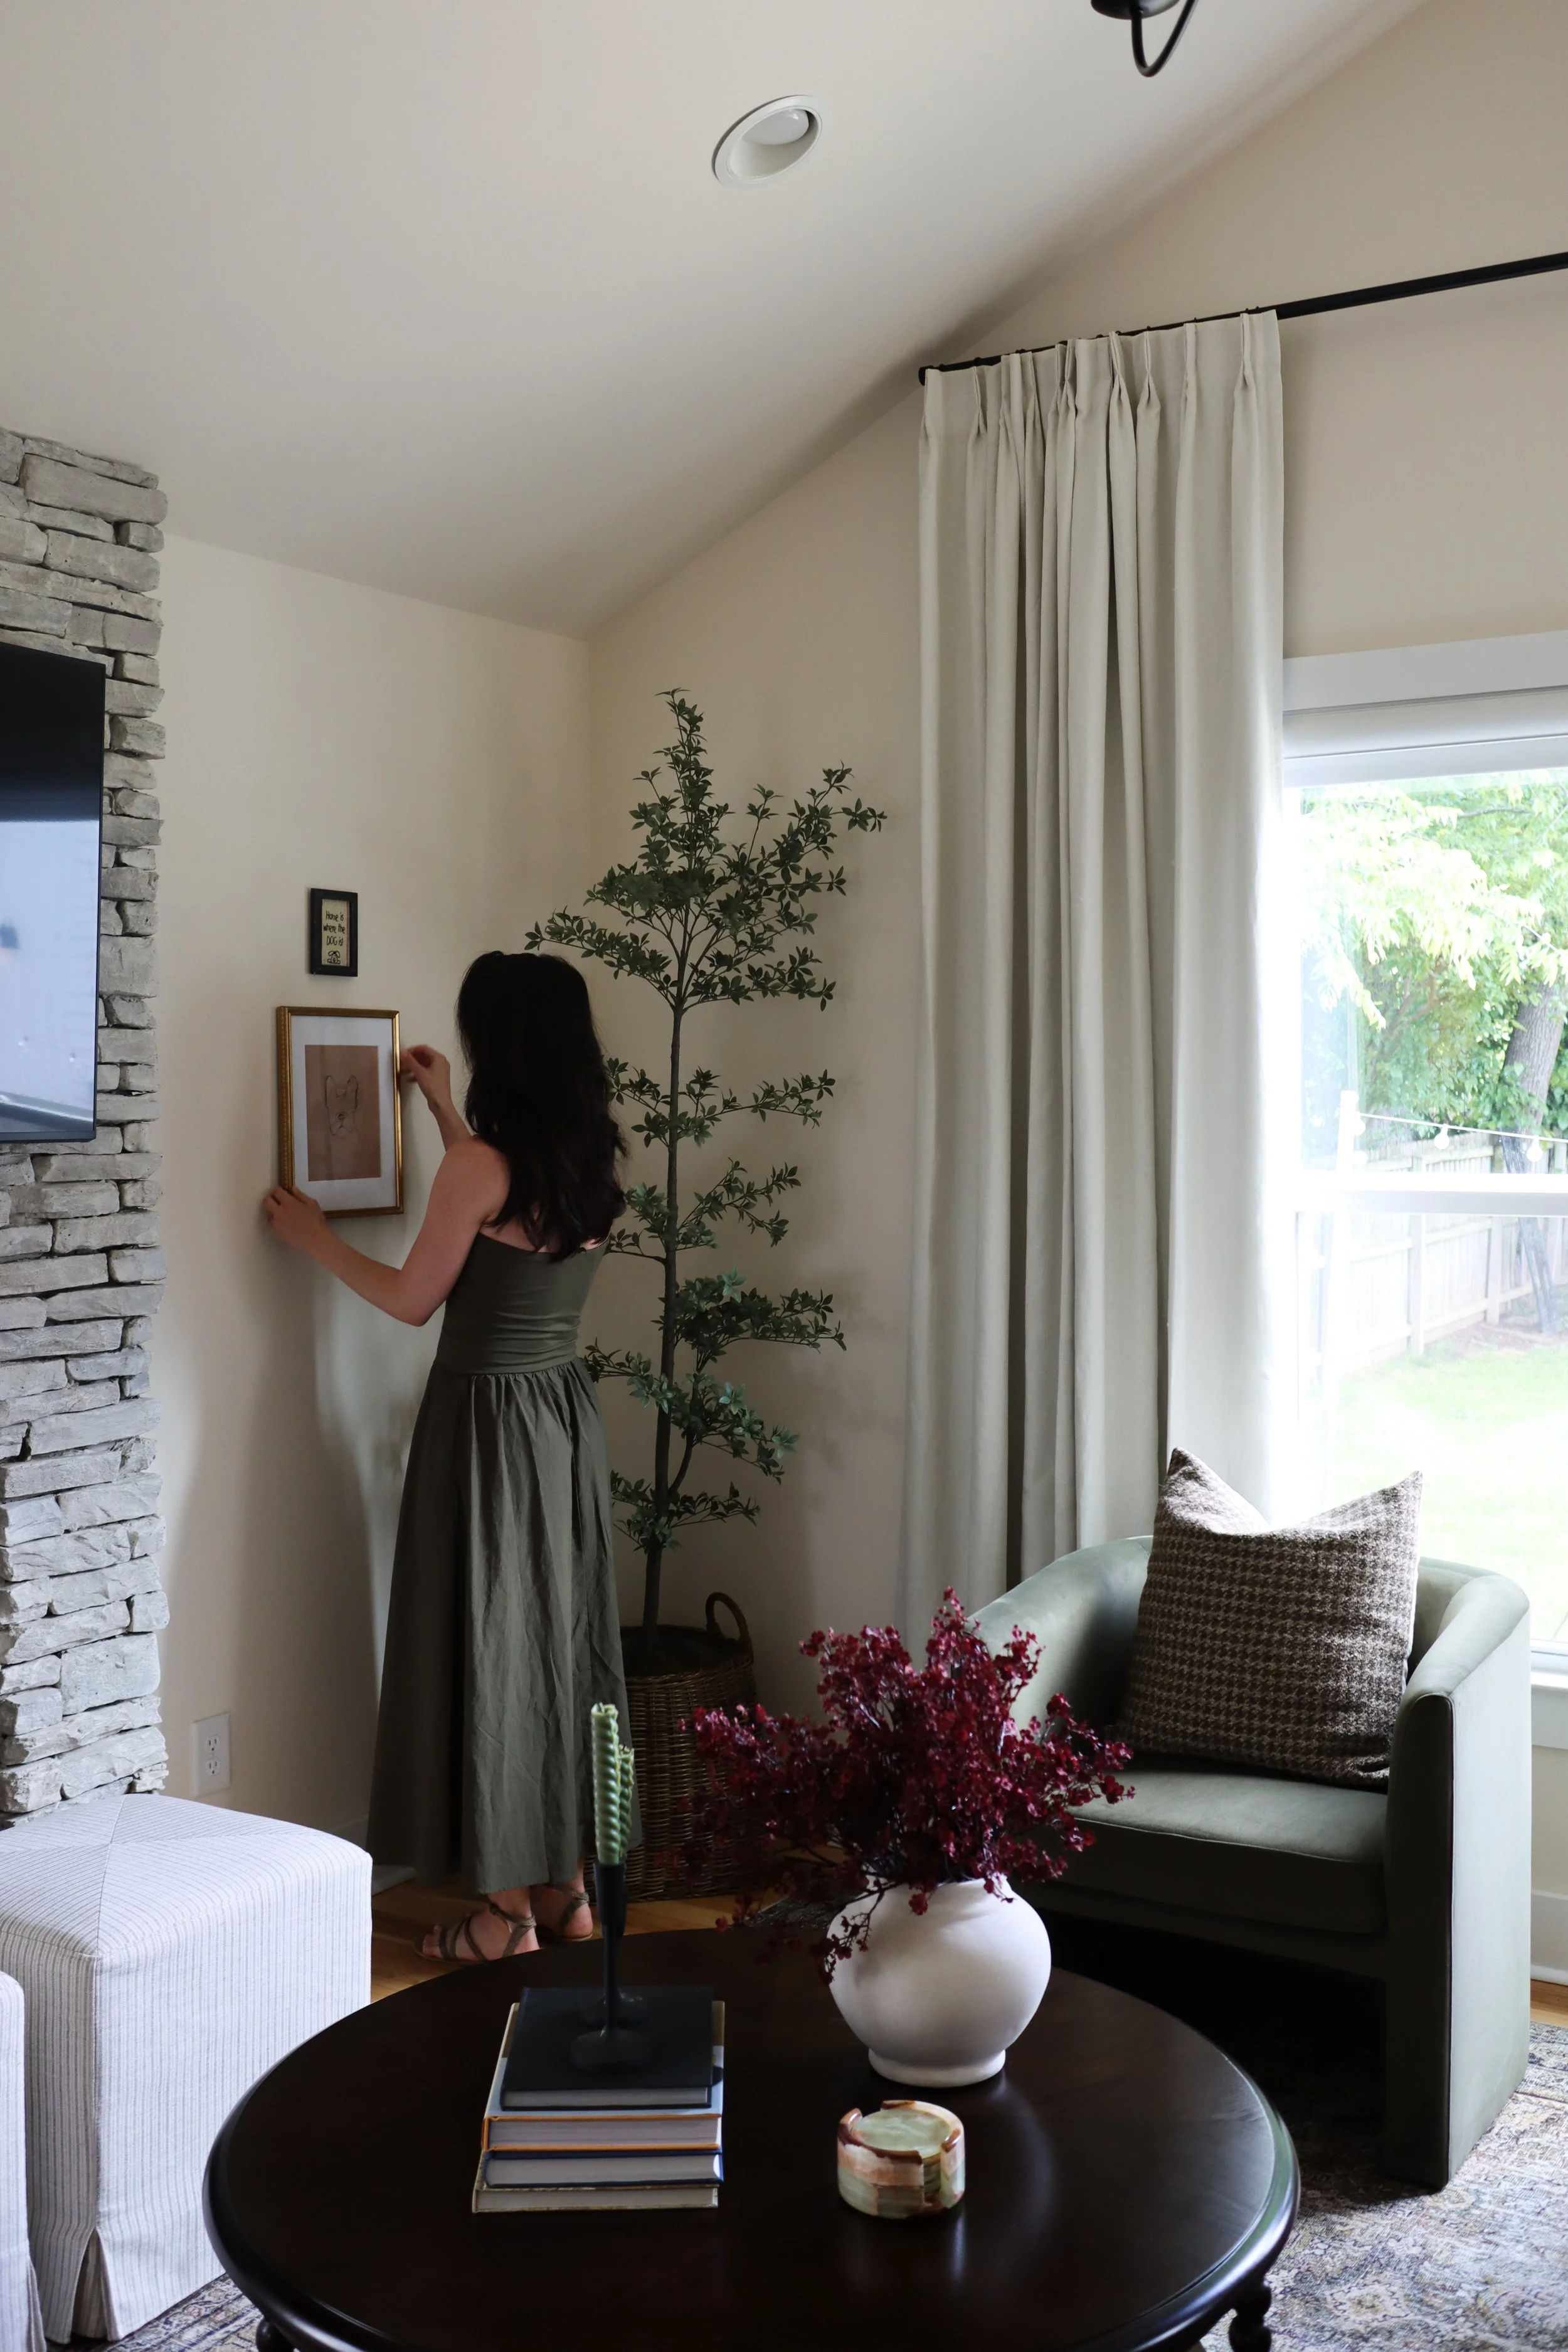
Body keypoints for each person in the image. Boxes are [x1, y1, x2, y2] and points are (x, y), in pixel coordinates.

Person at [264, 951, 632, 1961]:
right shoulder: (590, 1153)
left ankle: (503, 1914)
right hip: (560, 1426)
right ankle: (566, 1891)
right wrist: (439, 1112)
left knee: (490, 1651)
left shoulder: (485, 1166)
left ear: (500, 1046)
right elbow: (499, 1209)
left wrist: (315, 1239)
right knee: (554, 1650)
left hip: (484, 1428)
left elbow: (413, 1297)